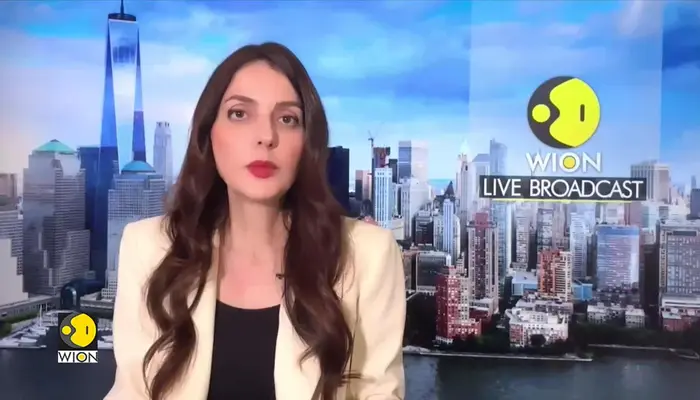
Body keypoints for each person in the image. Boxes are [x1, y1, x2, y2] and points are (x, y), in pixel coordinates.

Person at [105, 42, 406, 400]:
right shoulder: (149, 247)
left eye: (287, 119)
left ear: (307, 143)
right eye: (239, 114)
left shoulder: (367, 255)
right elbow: (131, 391)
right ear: (208, 133)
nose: (266, 137)